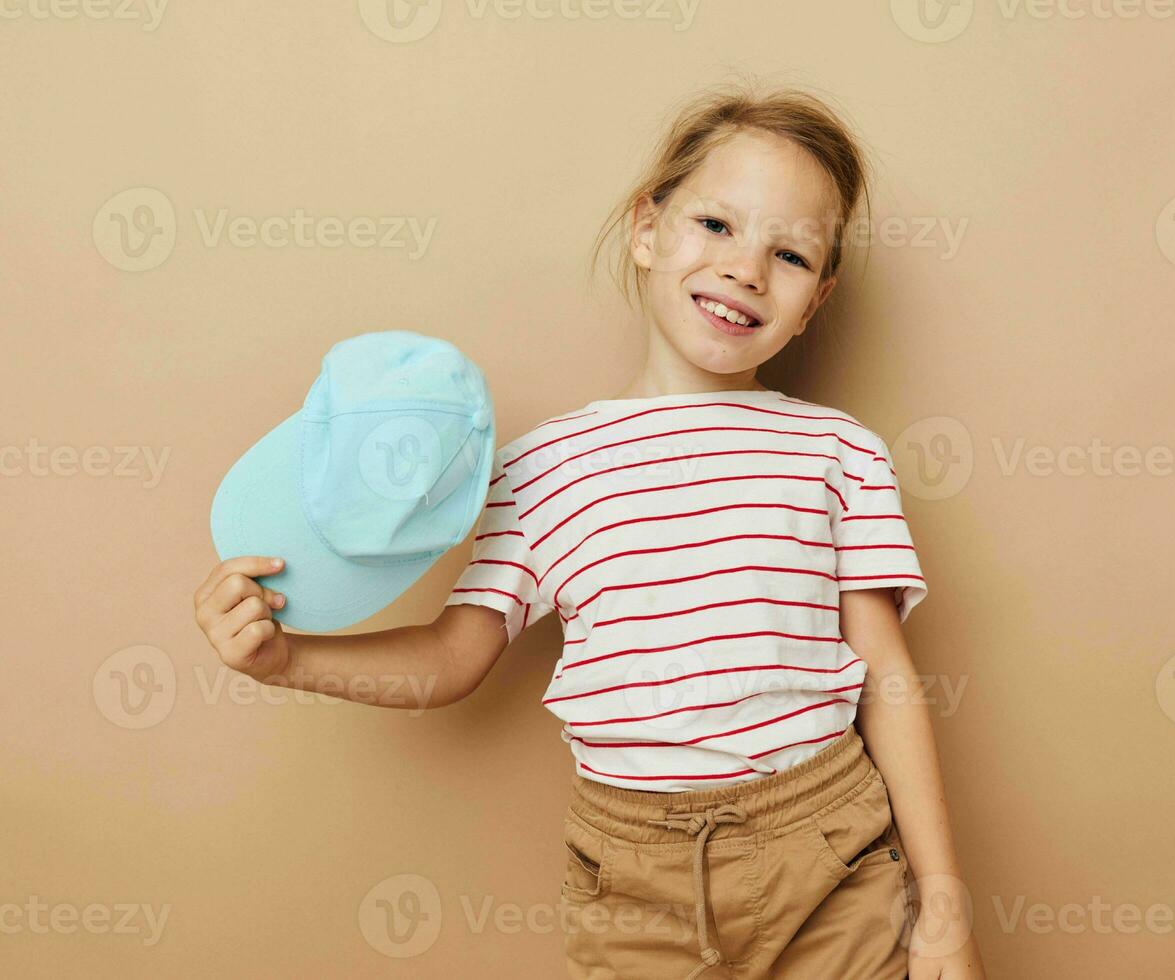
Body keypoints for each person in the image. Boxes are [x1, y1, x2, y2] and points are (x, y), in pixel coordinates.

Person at [193, 81, 985, 980]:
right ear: (648, 228)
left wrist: (945, 907)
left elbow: (887, 676)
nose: (745, 271)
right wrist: (285, 660)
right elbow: (455, 660)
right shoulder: (544, 468)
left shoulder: (839, 453)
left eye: (791, 255)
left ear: (817, 297)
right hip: (635, 883)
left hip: (829, 859)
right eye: (717, 226)